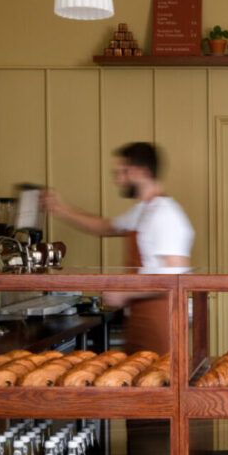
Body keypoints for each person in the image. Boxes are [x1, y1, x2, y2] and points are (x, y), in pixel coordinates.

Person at [41, 141, 193, 353]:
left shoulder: (166, 214)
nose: (117, 179)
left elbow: (175, 278)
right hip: (139, 319)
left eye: (122, 172)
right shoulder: (142, 211)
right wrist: (59, 208)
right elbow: (105, 227)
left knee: (159, 382)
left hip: (161, 322)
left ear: (141, 171)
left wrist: (125, 293)